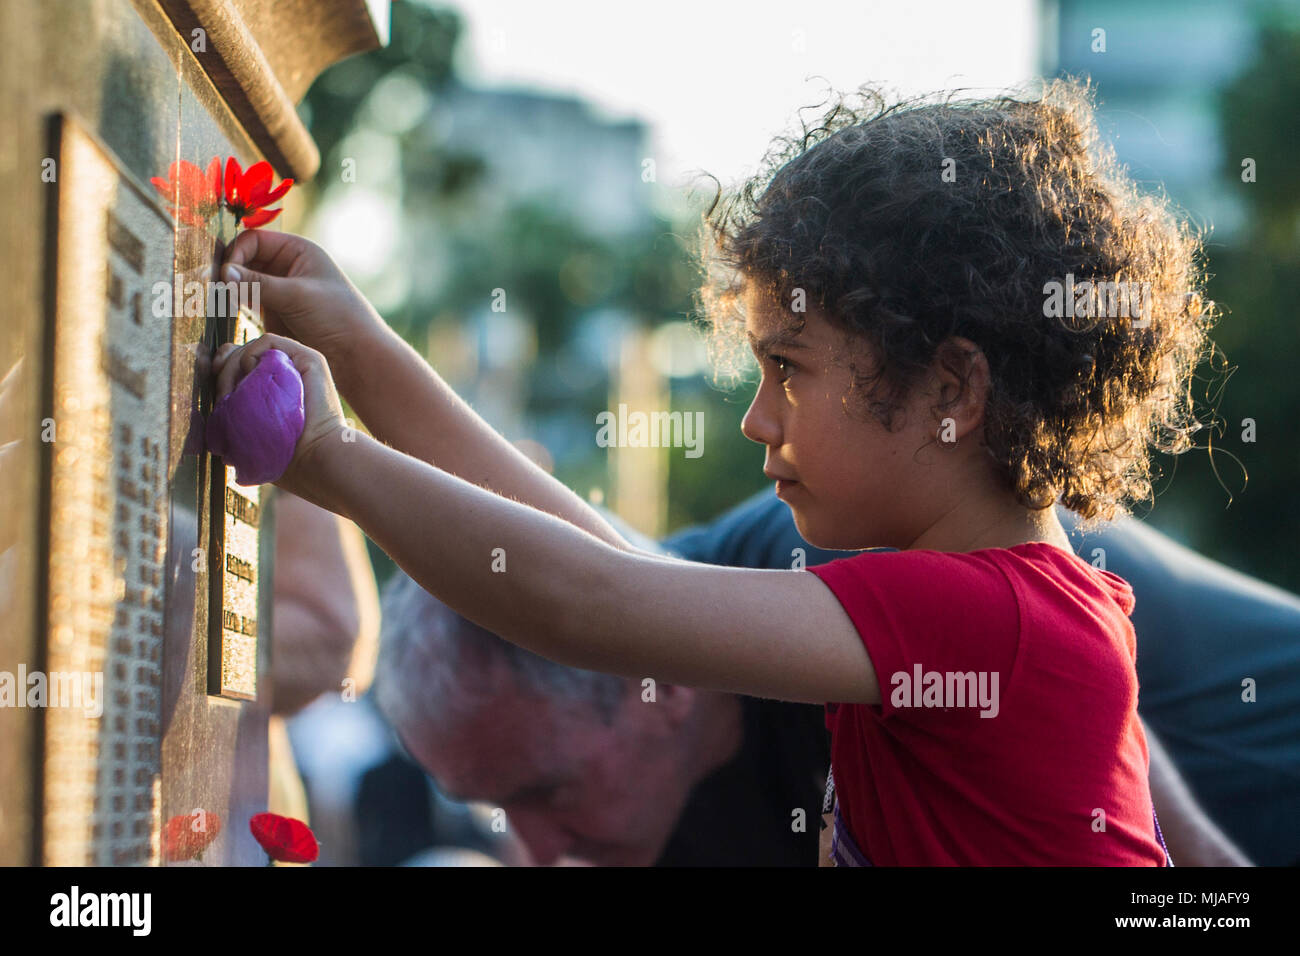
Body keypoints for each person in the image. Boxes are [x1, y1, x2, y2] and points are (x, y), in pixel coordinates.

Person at [214, 79, 1219, 864]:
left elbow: (587, 600)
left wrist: (327, 458)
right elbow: (605, 560)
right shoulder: (987, 603)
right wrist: (365, 348)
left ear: (951, 386)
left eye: (788, 367)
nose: (754, 417)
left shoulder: (980, 618)